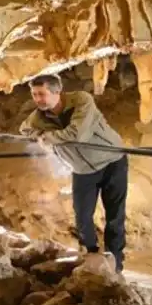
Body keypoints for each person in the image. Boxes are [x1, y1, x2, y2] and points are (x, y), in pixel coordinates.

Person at [19, 74, 128, 272]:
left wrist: (48, 137)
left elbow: (78, 134)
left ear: (57, 92)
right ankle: (93, 255)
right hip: (82, 169)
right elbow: (24, 129)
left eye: (41, 94)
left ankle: (116, 264)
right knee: (82, 217)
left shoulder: (82, 101)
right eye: (34, 95)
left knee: (115, 215)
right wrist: (39, 136)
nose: (37, 99)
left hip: (112, 161)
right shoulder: (39, 116)